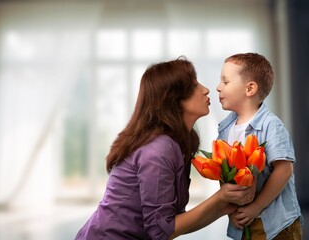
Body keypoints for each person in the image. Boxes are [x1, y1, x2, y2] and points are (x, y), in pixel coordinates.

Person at [75, 57, 255, 240]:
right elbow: (161, 231)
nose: (206, 89)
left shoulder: (179, 142)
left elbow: (174, 223)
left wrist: (224, 207)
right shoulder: (158, 150)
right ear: (174, 99)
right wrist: (220, 198)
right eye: (194, 86)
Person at [216, 52, 303, 240]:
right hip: (243, 224)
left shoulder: (272, 125)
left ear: (250, 89)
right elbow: (224, 174)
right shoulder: (225, 129)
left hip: (277, 225)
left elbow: (284, 170)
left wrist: (256, 206)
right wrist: (231, 209)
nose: (218, 87)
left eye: (225, 82)